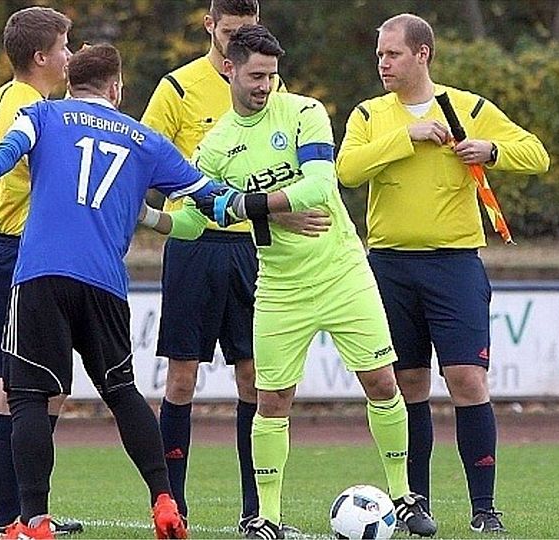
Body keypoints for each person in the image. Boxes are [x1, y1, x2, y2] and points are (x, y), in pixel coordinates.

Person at [139, 24, 437, 539]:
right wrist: (143, 217)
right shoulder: (215, 150)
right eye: (256, 75)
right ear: (229, 69)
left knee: (383, 383)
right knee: (270, 400)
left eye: (272, 76)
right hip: (279, 285)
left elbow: (319, 186)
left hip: (343, 271)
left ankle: (404, 497)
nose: (265, 85)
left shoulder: (304, 112)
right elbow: (194, 221)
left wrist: (247, 208)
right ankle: (266, 518)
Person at [0, 43, 231, 540]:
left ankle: (33, 522)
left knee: (30, 398)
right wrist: (273, 208)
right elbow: (212, 197)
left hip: (40, 276)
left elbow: (6, 153)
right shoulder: (145, 141)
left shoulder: (41, 114)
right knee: (122, 393)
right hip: (104, 282)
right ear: (116, 88)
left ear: (72, 82)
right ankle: (165, 501)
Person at [335, 13, 551, 534]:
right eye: (380, 54)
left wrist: (490, 150)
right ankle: (414, 505)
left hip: (454, 264)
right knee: (406, 384)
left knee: (467, 380)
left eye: (393, 54)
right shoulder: (369, 115)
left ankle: (484, 509)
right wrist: (405, 137)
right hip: (388, 264)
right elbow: (347, 171)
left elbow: (537, 154)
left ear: (422, 54)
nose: (382, 63)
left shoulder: (468, 107)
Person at [140, 0, 324, 532]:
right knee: (181, 377)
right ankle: (172, 507)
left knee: (254, 377)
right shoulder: (176, 89)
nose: (241, 39)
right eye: (231, 31)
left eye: (249, 30)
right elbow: (143, 158)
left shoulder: (273, 88)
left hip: (254, 245)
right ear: (210, 27)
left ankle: (255, 512)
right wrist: (149, 209)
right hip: (195, 246)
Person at [0, 6, 82, 537]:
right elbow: (43, 174)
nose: (71, 56)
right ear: (41, 56)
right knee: (17, 387)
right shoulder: (32, 109)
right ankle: (13, 519)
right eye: (66, 46)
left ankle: (26, 512)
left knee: (38, 384)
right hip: (20, 254)